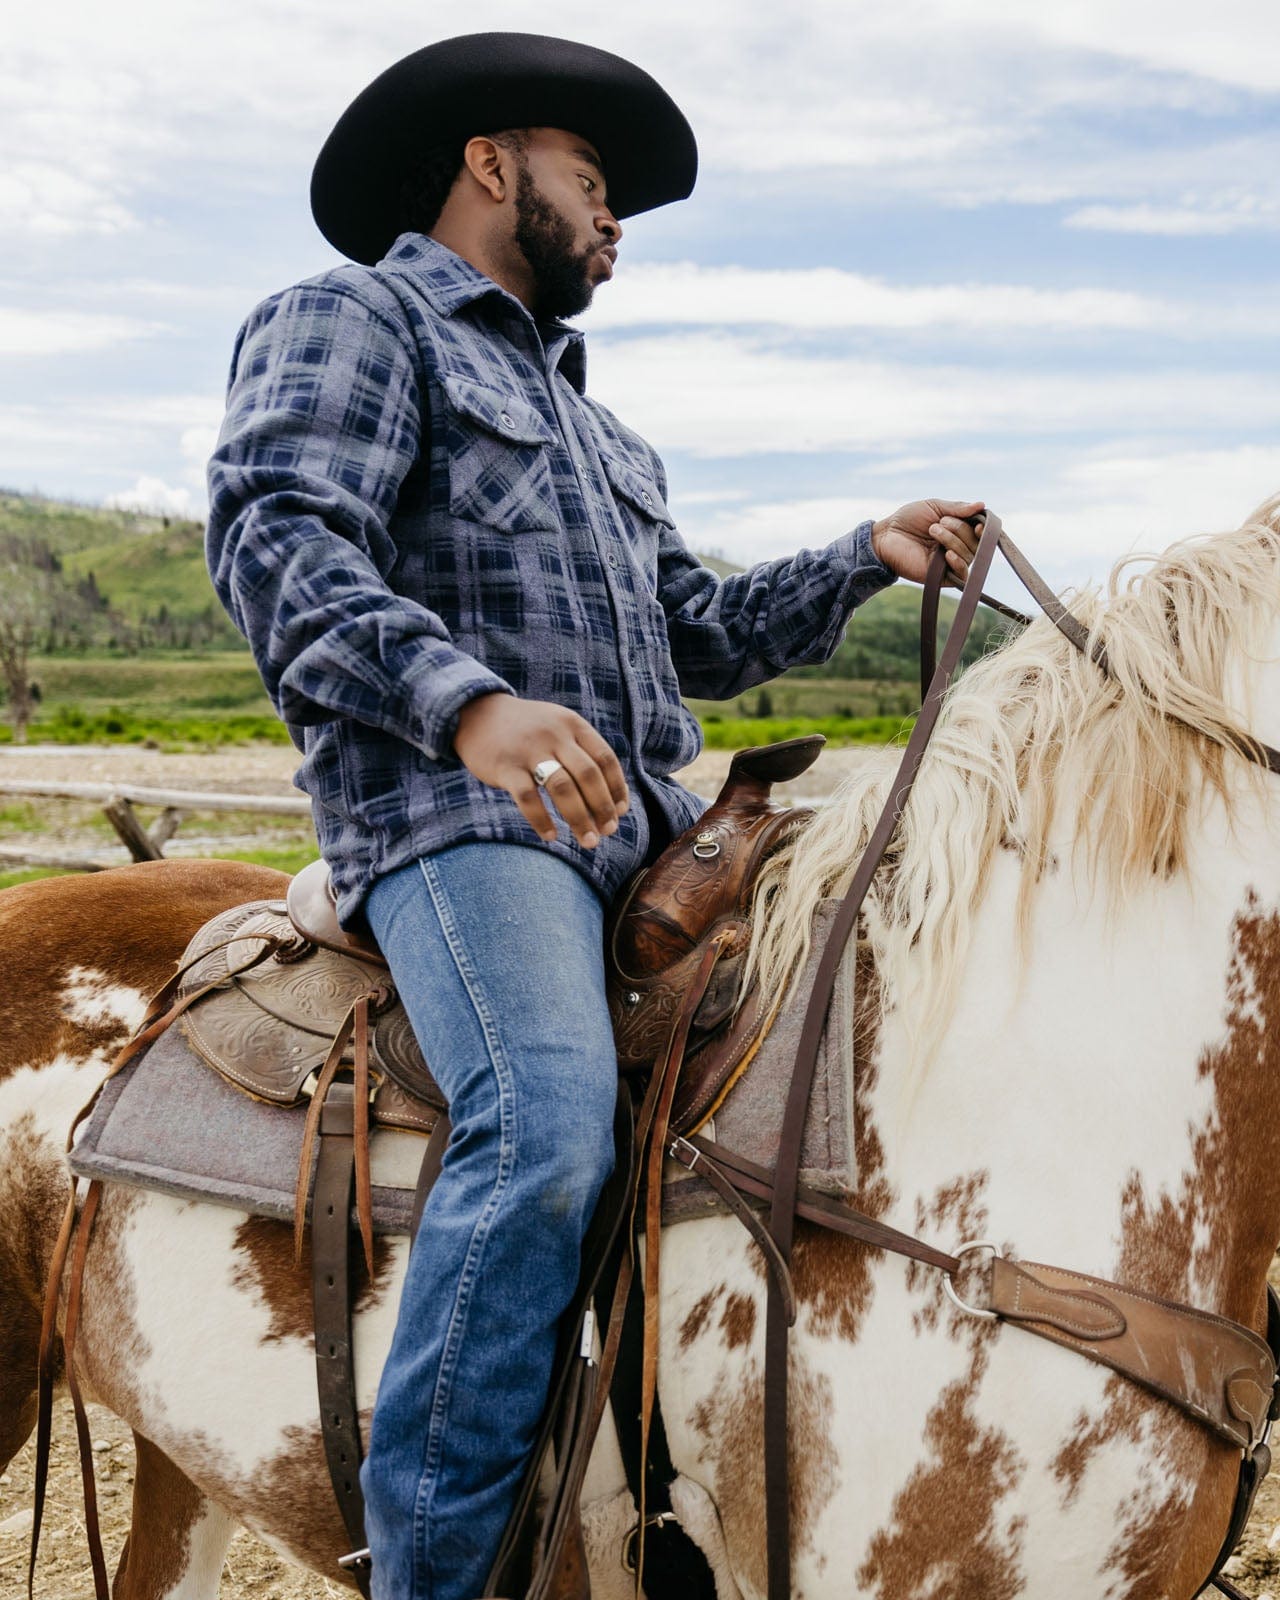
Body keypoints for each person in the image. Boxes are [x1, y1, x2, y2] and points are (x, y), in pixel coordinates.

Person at [205, 32, 981, 1600]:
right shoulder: (353, 317)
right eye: (595, 181)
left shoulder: (602, 430)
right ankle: (437, 1567)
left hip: (654, 834)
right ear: (493, 166)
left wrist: (860, 553)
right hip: (453, 823)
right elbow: (277, 536)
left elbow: (692, 626)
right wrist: (469, 707)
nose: (616, 220)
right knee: (546, 1125)